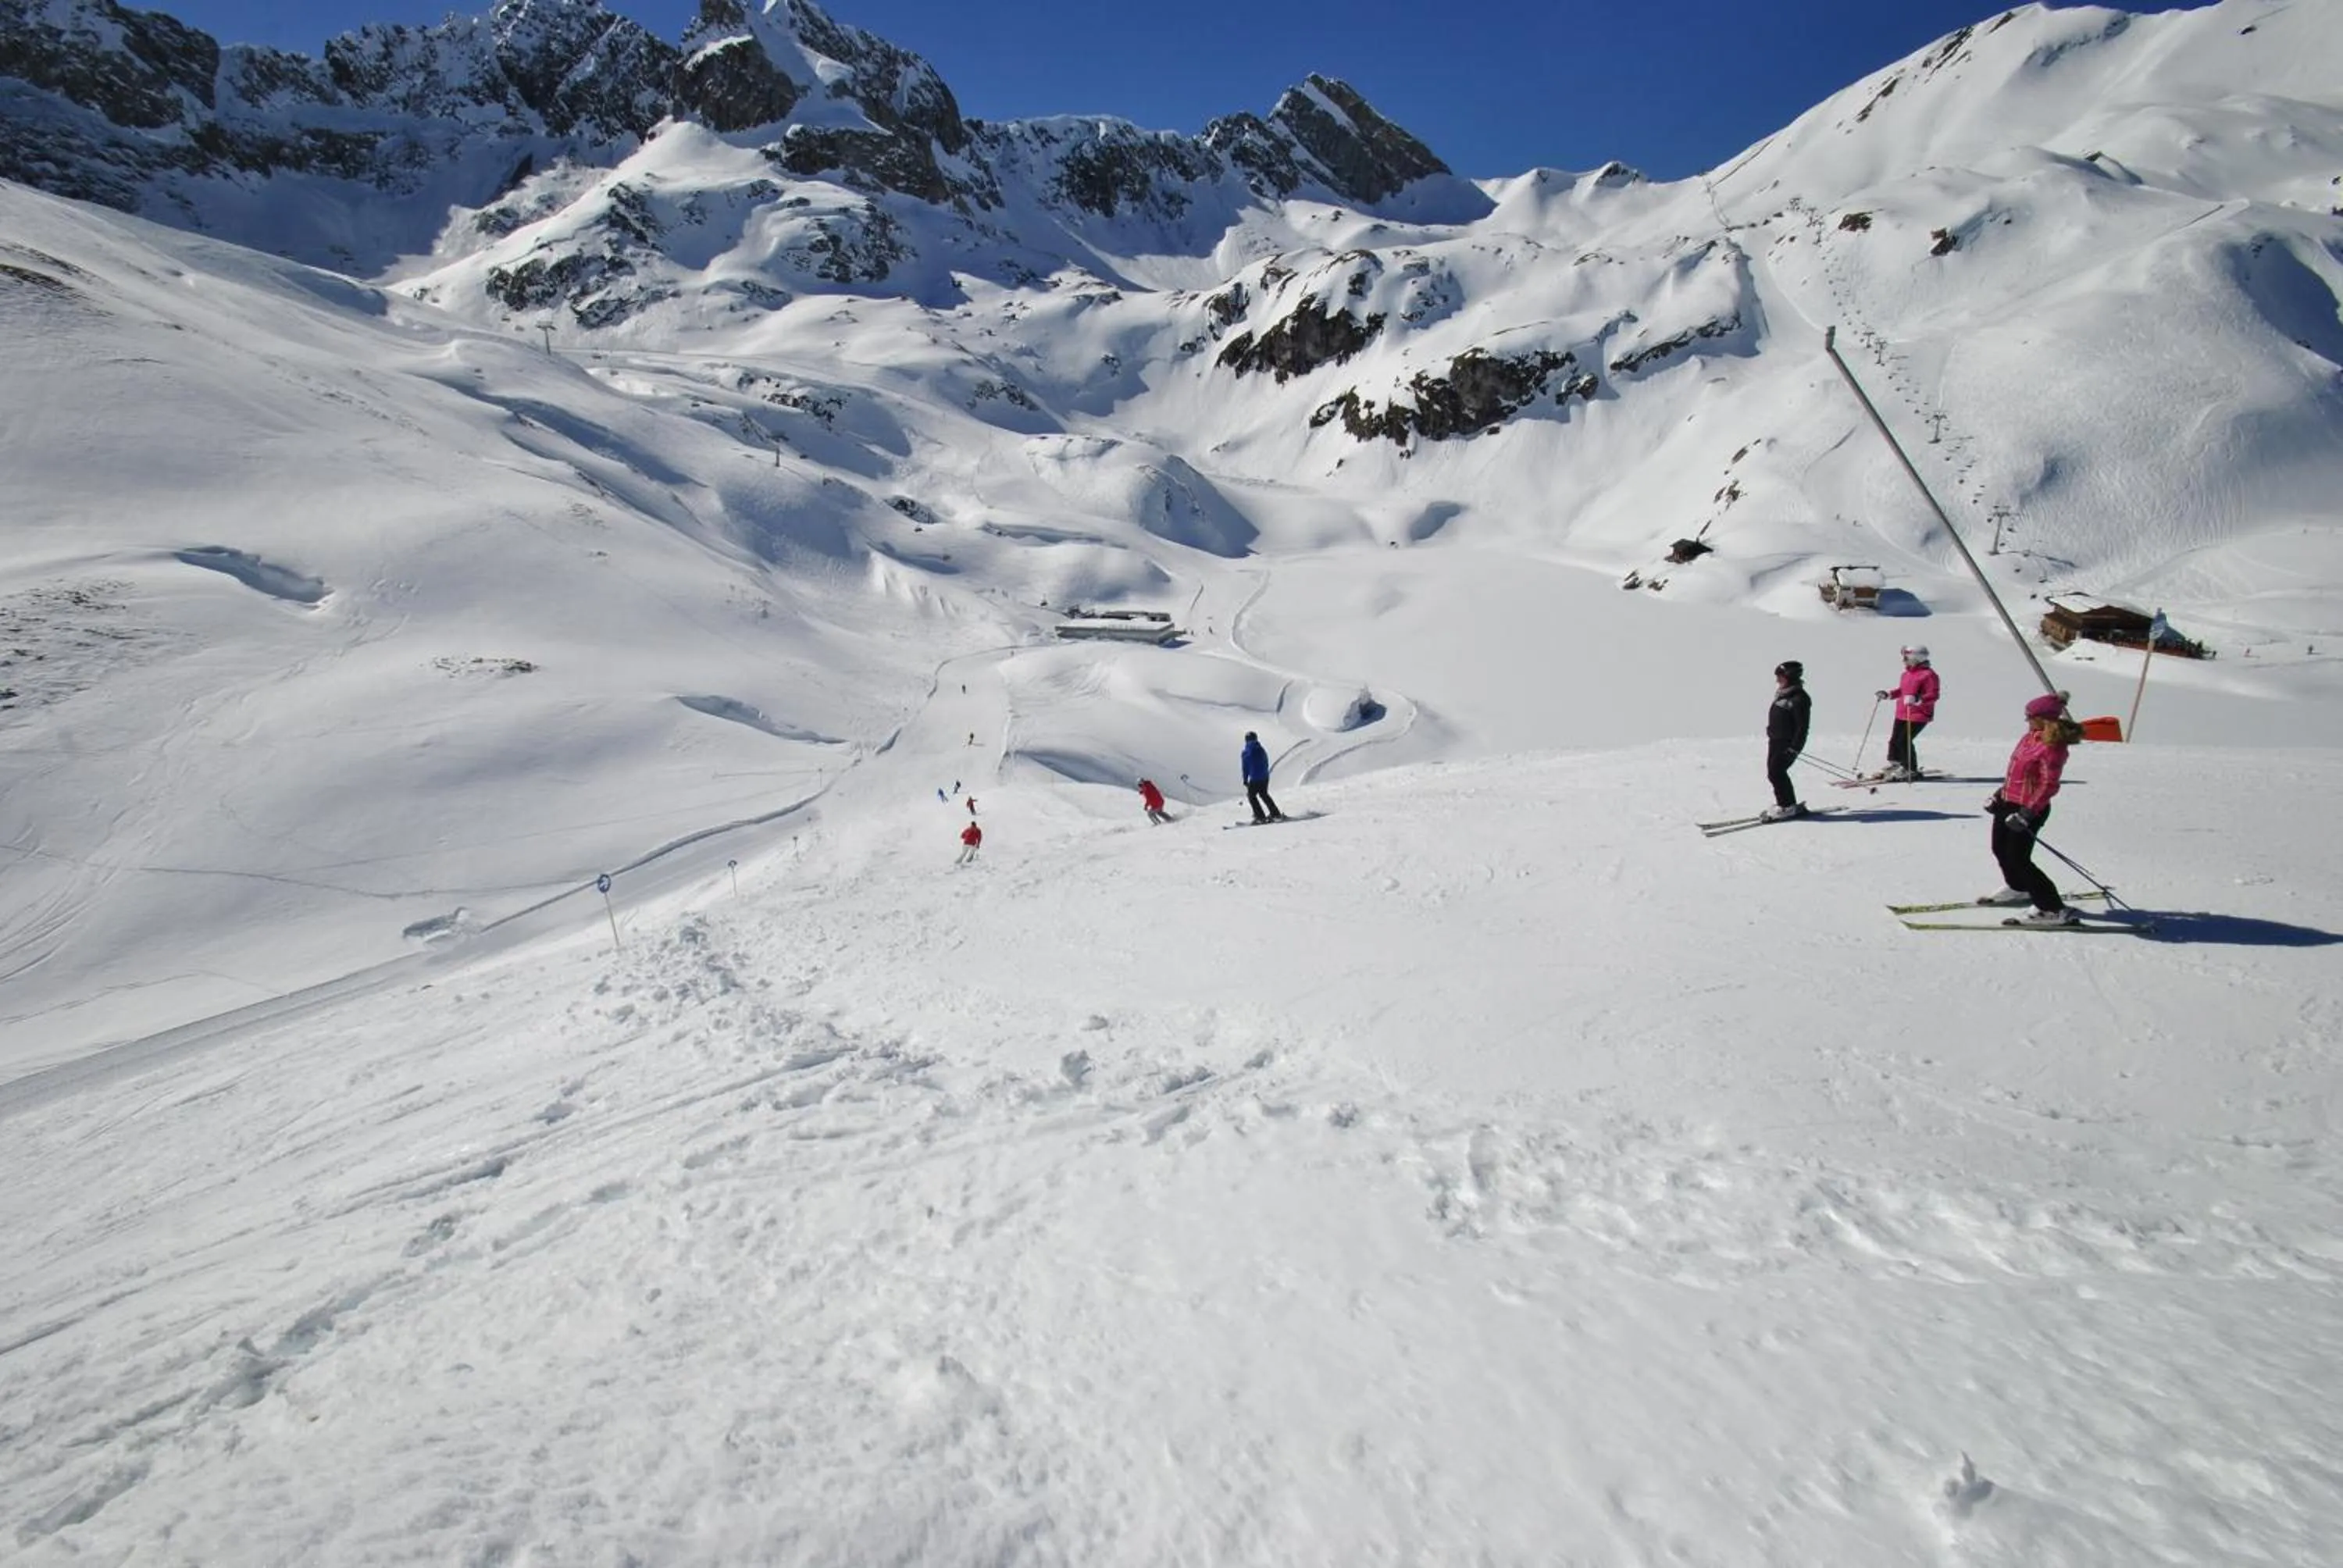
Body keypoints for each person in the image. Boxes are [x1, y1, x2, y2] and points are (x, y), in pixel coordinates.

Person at [1981, 693, 2079, 924]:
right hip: (2009, 802)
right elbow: (2016, 772)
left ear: (2045, 718)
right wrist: (1999, 795)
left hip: (2029, 808)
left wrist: (2027, 812)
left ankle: (2052, 909)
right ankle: (2019, 888)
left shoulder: (2053, 745)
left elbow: (2049, 784)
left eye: (2030, 716)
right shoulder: (2029, 738)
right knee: (2000, 850)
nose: (2027, 720)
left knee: (2019, 859)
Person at [1875, 645, 1941, 780]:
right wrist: (1888, 694)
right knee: (1895, 740)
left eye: (1906, 657)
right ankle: (1896, 763)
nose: (1903, 660)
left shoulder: (1929, 675)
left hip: (1919, 714)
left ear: (1917, 658)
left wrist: (1918, 699)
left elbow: (1933, 695)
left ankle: (1911, 770)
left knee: (1904, 741)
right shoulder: (1906, 674)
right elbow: (1902, 691)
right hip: (1902, 712)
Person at [1760, 661, 1811, 821]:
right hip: (1775, 741)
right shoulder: (1784, 694)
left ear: (1790, 677)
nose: (1777, 680)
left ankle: (1787, 806)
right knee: (1774, 773)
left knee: (1776, 772)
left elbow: (1802, 727)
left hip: (1787, 744)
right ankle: (1786, 804)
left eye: (1780, 677)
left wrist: (1795, 747)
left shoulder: (1800, 698)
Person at [1240, 731, 1284, 823]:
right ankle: (1276, 814)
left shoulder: (1246, 753)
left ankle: (1260, 817)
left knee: (1251, 796)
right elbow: (1266, 762)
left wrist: (1245, 779)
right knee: (1264, 794)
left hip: (1255, 779)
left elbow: (1245, 768)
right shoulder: (1261, 749)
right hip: (1265, 777)